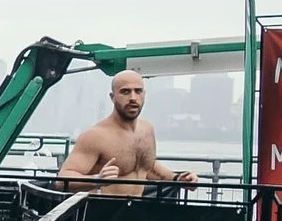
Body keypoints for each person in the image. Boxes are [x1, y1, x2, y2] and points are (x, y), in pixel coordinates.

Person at [58, 70, 197, 195]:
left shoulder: (147, 129)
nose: (133, 98)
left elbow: (146, 167)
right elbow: (61, 180)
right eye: (125, 91)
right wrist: (97, 179)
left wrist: (177, 178)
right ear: (112, 97)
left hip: (135, 213)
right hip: (101, 214)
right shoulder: (96, 136)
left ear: (144, 94)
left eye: (138, 91)